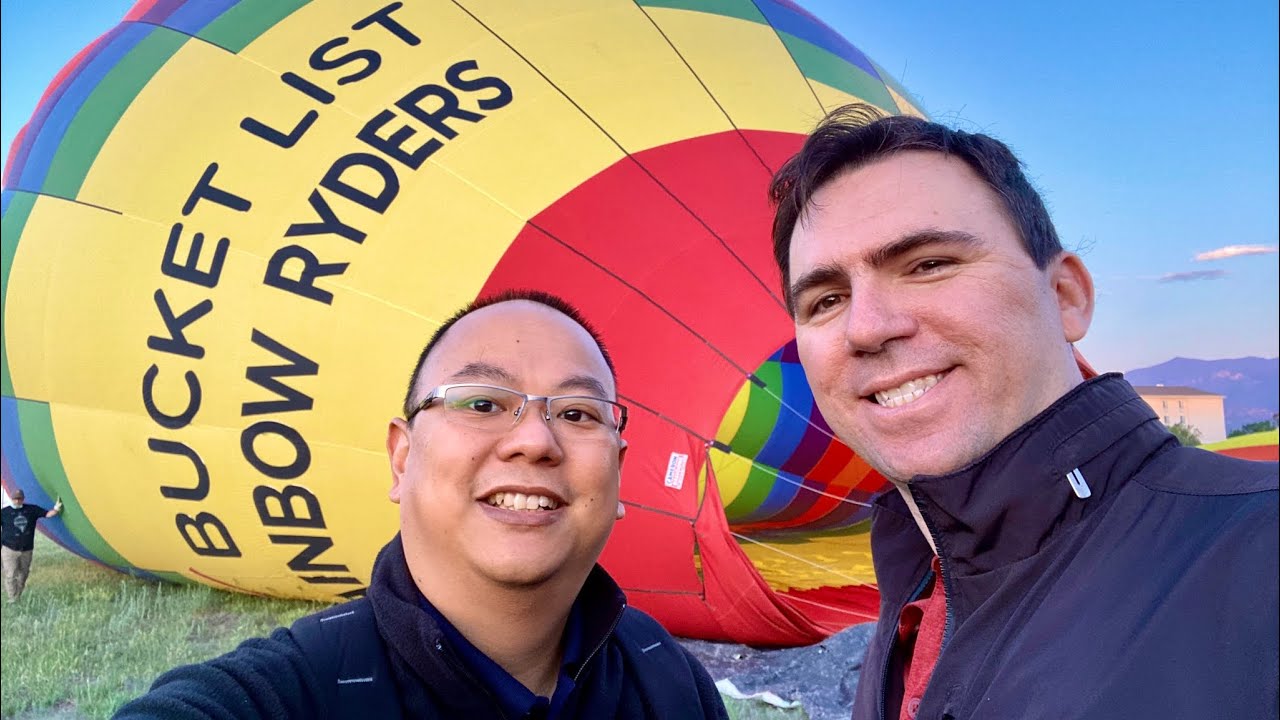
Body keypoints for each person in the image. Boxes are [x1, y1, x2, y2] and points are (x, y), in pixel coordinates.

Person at [769, 104, 1278, 720]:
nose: (867, 327)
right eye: (825, 300)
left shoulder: (1260, 555)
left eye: (929, 264)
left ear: (1066, 296)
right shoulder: (917, 591)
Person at [116, 290, 728, 720]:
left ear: (619, 477)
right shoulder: (280, 695)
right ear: (402, 458)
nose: (536, 441)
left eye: (576, 414)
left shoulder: (670, 683)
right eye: (482, 403)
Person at [2, 488, 63, 602]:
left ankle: (17, 595)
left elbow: (48, 514)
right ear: (11, 499)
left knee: (23, 574)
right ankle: (12, 598)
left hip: (26, 549)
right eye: (15, 499)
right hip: (9, 549)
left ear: (23, 499)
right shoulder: (4, 512)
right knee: (10, 574)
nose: (17, 501)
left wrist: (56, 509)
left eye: (19, 499)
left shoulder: (31, 509)